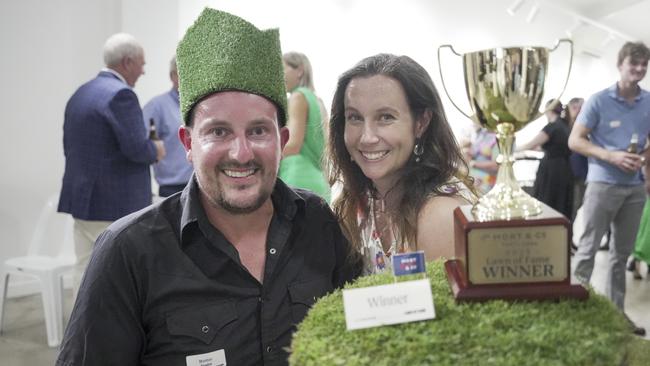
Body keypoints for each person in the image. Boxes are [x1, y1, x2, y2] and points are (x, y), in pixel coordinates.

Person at [56, 8, 361, 366]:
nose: (241, 152)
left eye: (258, 131)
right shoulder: (129, 252)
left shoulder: (319, 224)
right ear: (187, 143)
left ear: (282, 140)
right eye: (219, 131)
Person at [327, 54, 476, 275]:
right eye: (355, 117)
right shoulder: (360, 204)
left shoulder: (440, 215)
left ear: (421, 122)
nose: (367, 137)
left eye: (385, 117)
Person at [57, 33, 165, 300]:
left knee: (83, 268)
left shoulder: (81, 92)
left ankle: (80, 336)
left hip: (82, 200)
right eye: (141, 64)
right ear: (127, 62)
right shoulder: (121, 95)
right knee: (118, 274)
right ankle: (109, 337)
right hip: (113, 202)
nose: (143, 70)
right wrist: (157, 149)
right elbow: (137, 149)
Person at [569, 41, 650, 336]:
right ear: (620, 64)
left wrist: (644, 160)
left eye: (644, 64)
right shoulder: (599, 100)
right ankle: (576, 317)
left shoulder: (649, 101)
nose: (639, 69)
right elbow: (575, 140)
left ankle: (616, 317)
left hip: (634, 189)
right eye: (634, 63)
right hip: (602, 184)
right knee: (588, 250)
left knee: (620, 256)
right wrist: (611, 156)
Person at [279, 52, 330, 202]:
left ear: (300, 70)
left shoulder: (298, 96)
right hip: (319, 182)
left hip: (296, 178)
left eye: (283, 69)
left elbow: (293, 144)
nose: (280, 75)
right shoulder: (318, 101)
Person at [143, 55, 193, 197]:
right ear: (173, 76)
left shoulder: (203, 106)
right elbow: (142, 148)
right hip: (172, 190)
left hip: (204, 186)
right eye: (186, 71)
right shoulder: (156, 107)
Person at [516, 99, 573, 218]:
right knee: (560, 201)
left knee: (548, 199)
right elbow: (550, 147)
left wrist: (511, 149)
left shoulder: (552, 127)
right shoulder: (564, 126)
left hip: (552, 170)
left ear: (548, 110)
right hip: (564, 168)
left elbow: (531, 144)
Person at [461, 126, 498, 194]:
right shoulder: (481, 133)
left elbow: (497, 165)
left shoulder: (497, 138)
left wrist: (474, 164)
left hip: (487, 180)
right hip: (471, 175)